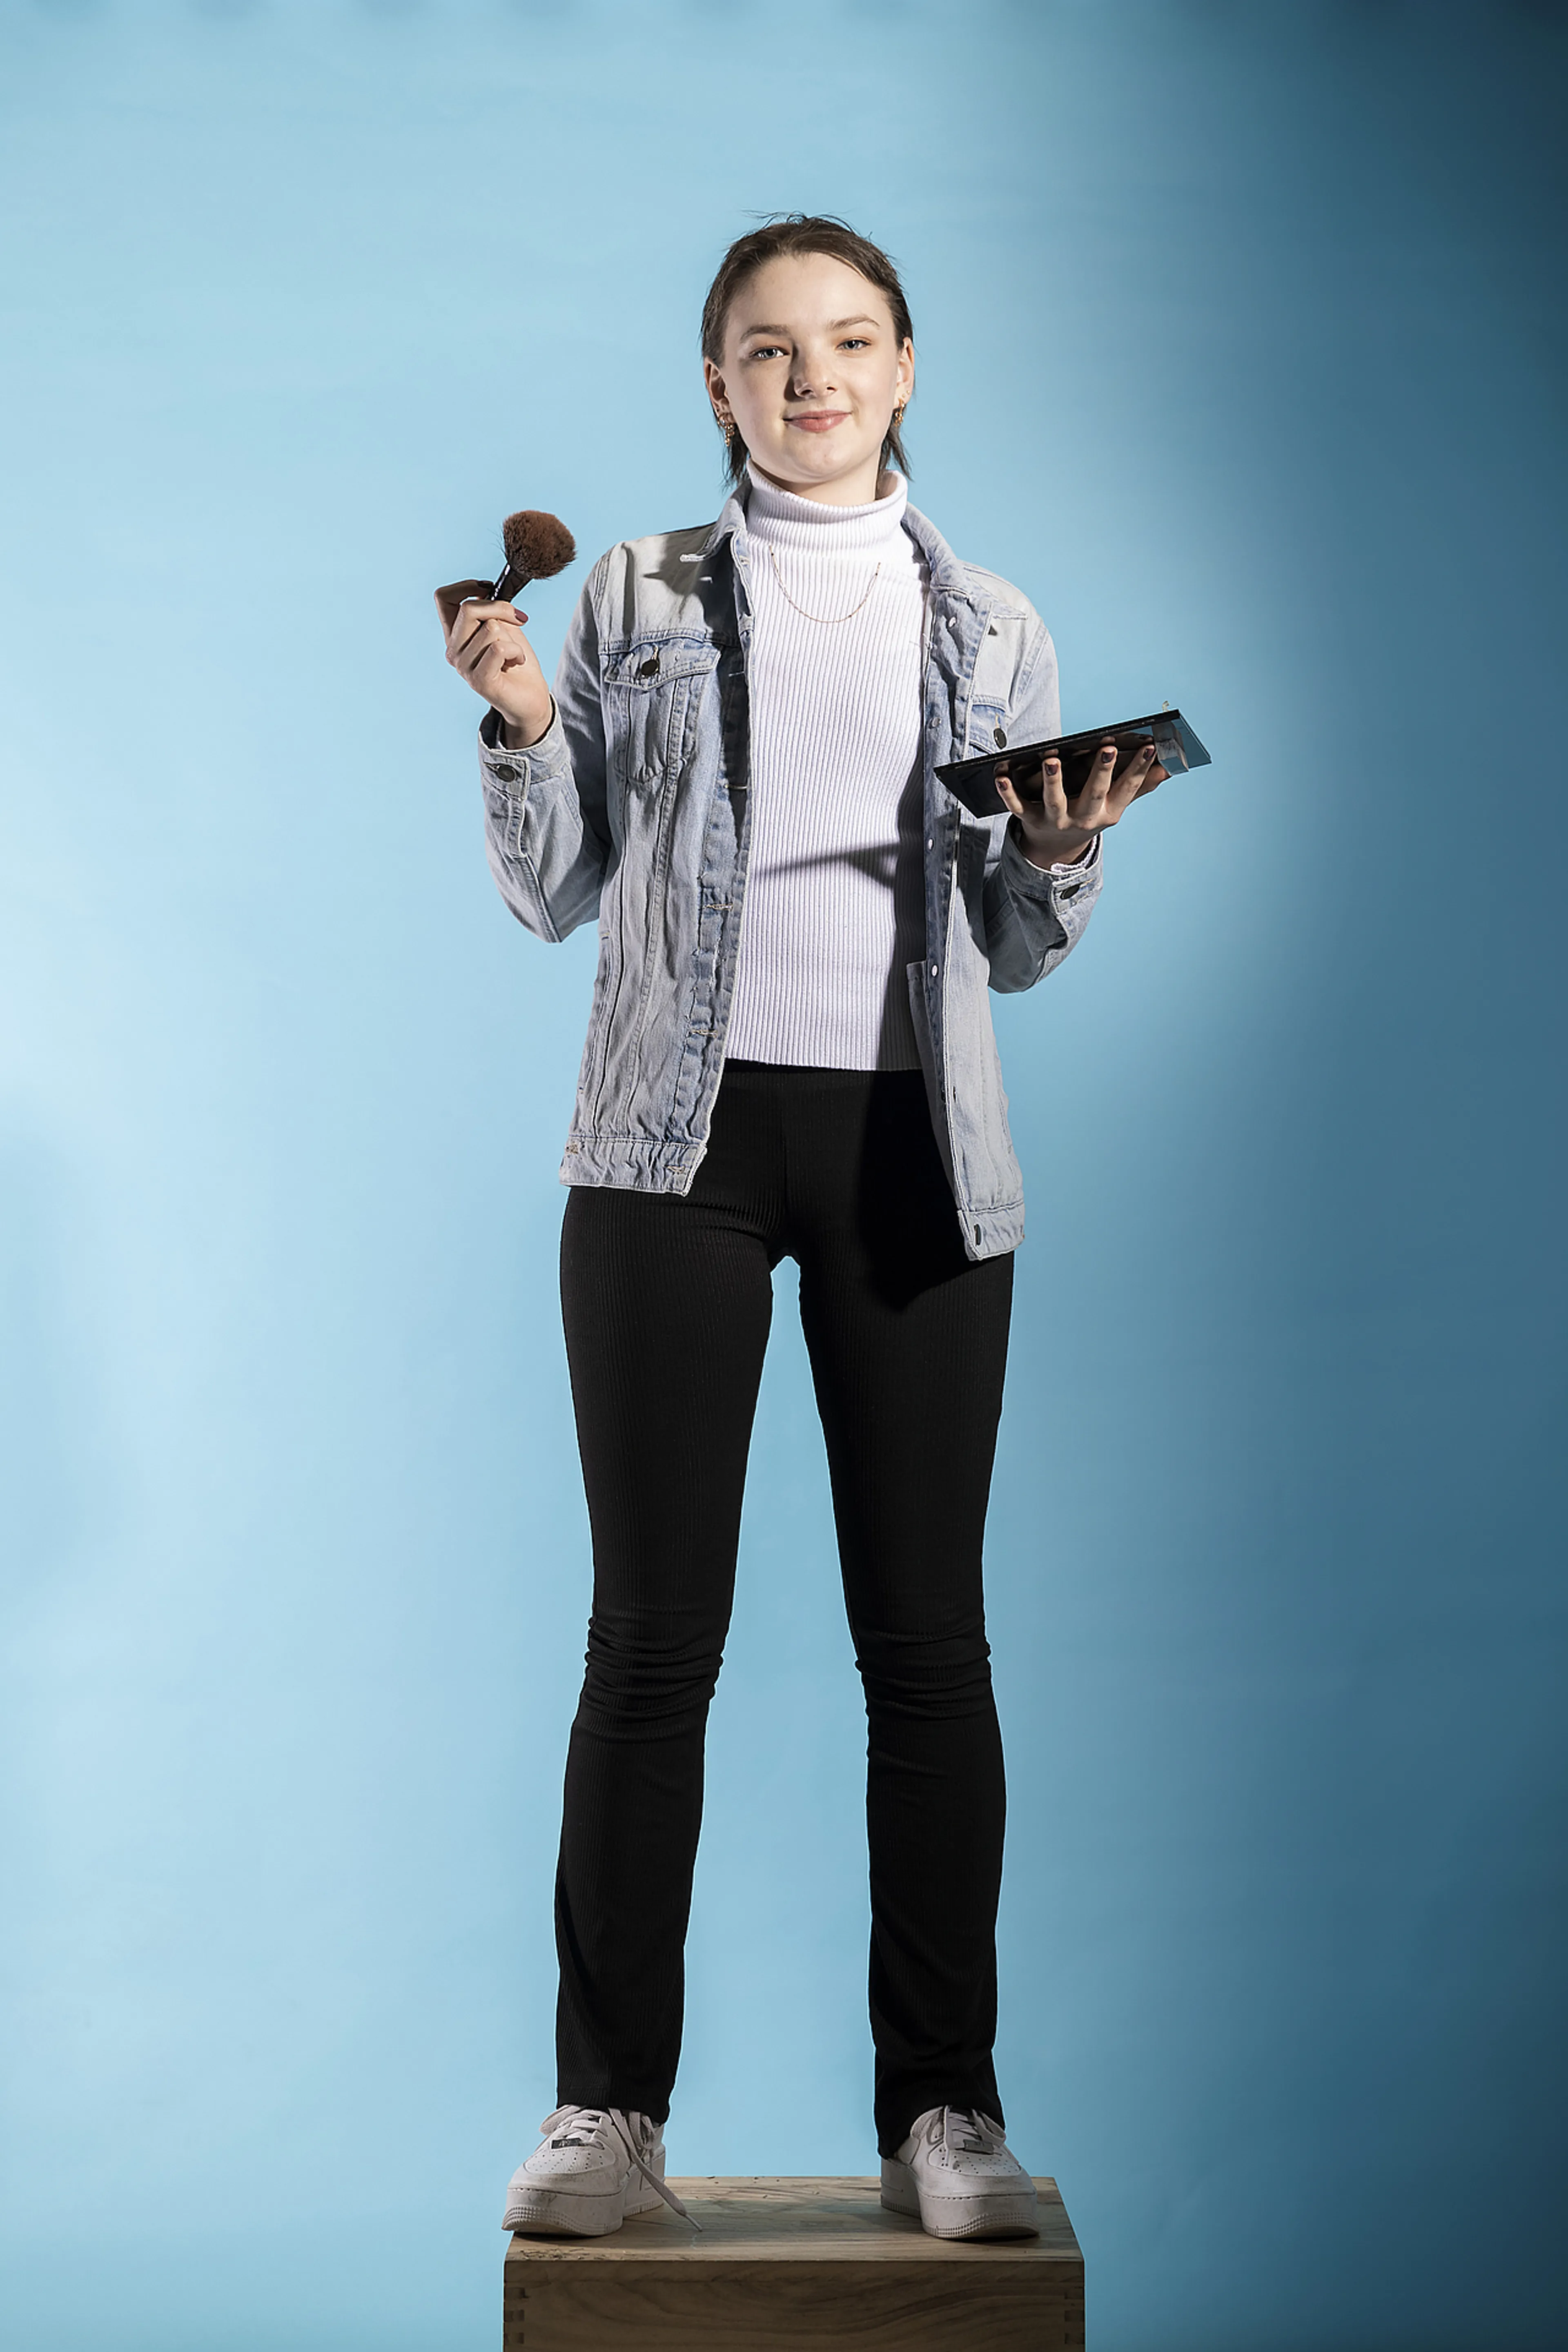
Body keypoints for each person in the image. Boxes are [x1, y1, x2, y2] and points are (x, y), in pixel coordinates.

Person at [434, 215, 1164, 2245]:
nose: (813, 375)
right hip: (671, 1148)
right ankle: (606, 2114)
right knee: (649, 1642)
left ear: (906, 367)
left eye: (850, 341)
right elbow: (557, 889)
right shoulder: (634, 590)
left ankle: (948, 2113)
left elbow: (1016, 948)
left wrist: (1065, 852)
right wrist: (522, 720)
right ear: (718, 385)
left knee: (927, 1648)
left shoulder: (993, 625)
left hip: (918, 1149)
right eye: (770, 349)